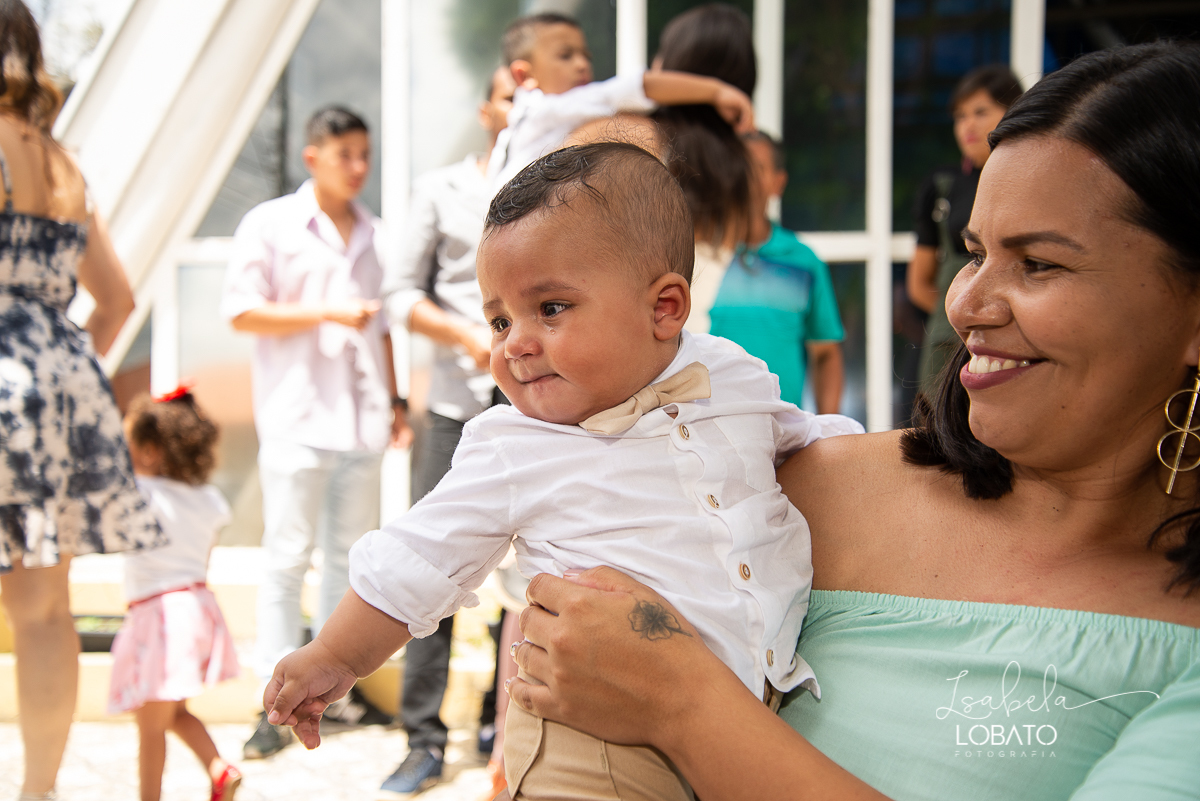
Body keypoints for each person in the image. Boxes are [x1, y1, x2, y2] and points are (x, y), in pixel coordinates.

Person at [504, 42, 1200, 800]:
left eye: (1039, 263)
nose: (966, 304)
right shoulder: (794, 490)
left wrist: (683, 705)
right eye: (974, 253)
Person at [264, 143, 862, 801]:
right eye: (498, 318)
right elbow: (418, 559)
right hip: (594, 743)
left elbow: (811, 444)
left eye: (549, 308)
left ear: (665, 308)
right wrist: (334, 658)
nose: (514, 340)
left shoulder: (730, 375)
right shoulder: (511, 443)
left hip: (754, 707)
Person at [0, 3, 163, 798]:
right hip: (56, 378)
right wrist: (54, 378)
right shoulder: (62, 164)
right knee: (43, 611)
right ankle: (38, 790)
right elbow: (117, 300)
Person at [220, 105, 411, 760]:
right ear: (312, 156)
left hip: (360, 420)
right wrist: (325, 311)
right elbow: (242, 311)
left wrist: (397, 402)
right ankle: (272, 702)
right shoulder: (268, 224)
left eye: (365, 154)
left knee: (346, 560)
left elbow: (383, 329)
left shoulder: (377, 235)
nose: (358, 168)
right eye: (345, 155)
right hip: (297, 417)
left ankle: (333, 694)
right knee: (285, 557)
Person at [376, 65, 516, 797]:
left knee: (532, 574)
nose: (521, 105)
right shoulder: (438, 190)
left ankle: (503, 728)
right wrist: (467, 335)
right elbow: (398, 292)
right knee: (430, 565)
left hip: (538, 412)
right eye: (508, 93)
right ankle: (422, 740)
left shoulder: (563, 189)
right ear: (485, 107)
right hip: (457, 410)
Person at [108, 389, 242, 801]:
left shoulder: (141, 495)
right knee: (175, 713)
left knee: (150, 727)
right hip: (198, 606)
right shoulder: (207, 500)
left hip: (160, 616)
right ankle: (220, 770)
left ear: (149, 451)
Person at [487, 12, 755, 192]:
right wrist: (717, 91)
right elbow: (638, 87)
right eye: (565, 56)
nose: (582, 64)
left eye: (586, 55)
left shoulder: (528, 117)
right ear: (524, 75)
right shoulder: (557, 107)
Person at [709, 130, 845, 413]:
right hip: (705, 431)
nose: (743, 178)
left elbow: (825, 353)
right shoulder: (699, 257)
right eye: (736, 166)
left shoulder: (803, 261)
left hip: (782, 438)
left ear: (778, 183)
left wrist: (828, 433)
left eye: (755, 168)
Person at [908, 65, 1022, 395]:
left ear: (1014, 111)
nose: (967, 126)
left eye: (980, 112)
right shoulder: (942, 185)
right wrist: (962, 319)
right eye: (960, 116)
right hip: (949, 340)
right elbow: (919, 284)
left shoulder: (1033, 186)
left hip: (1015, 338)